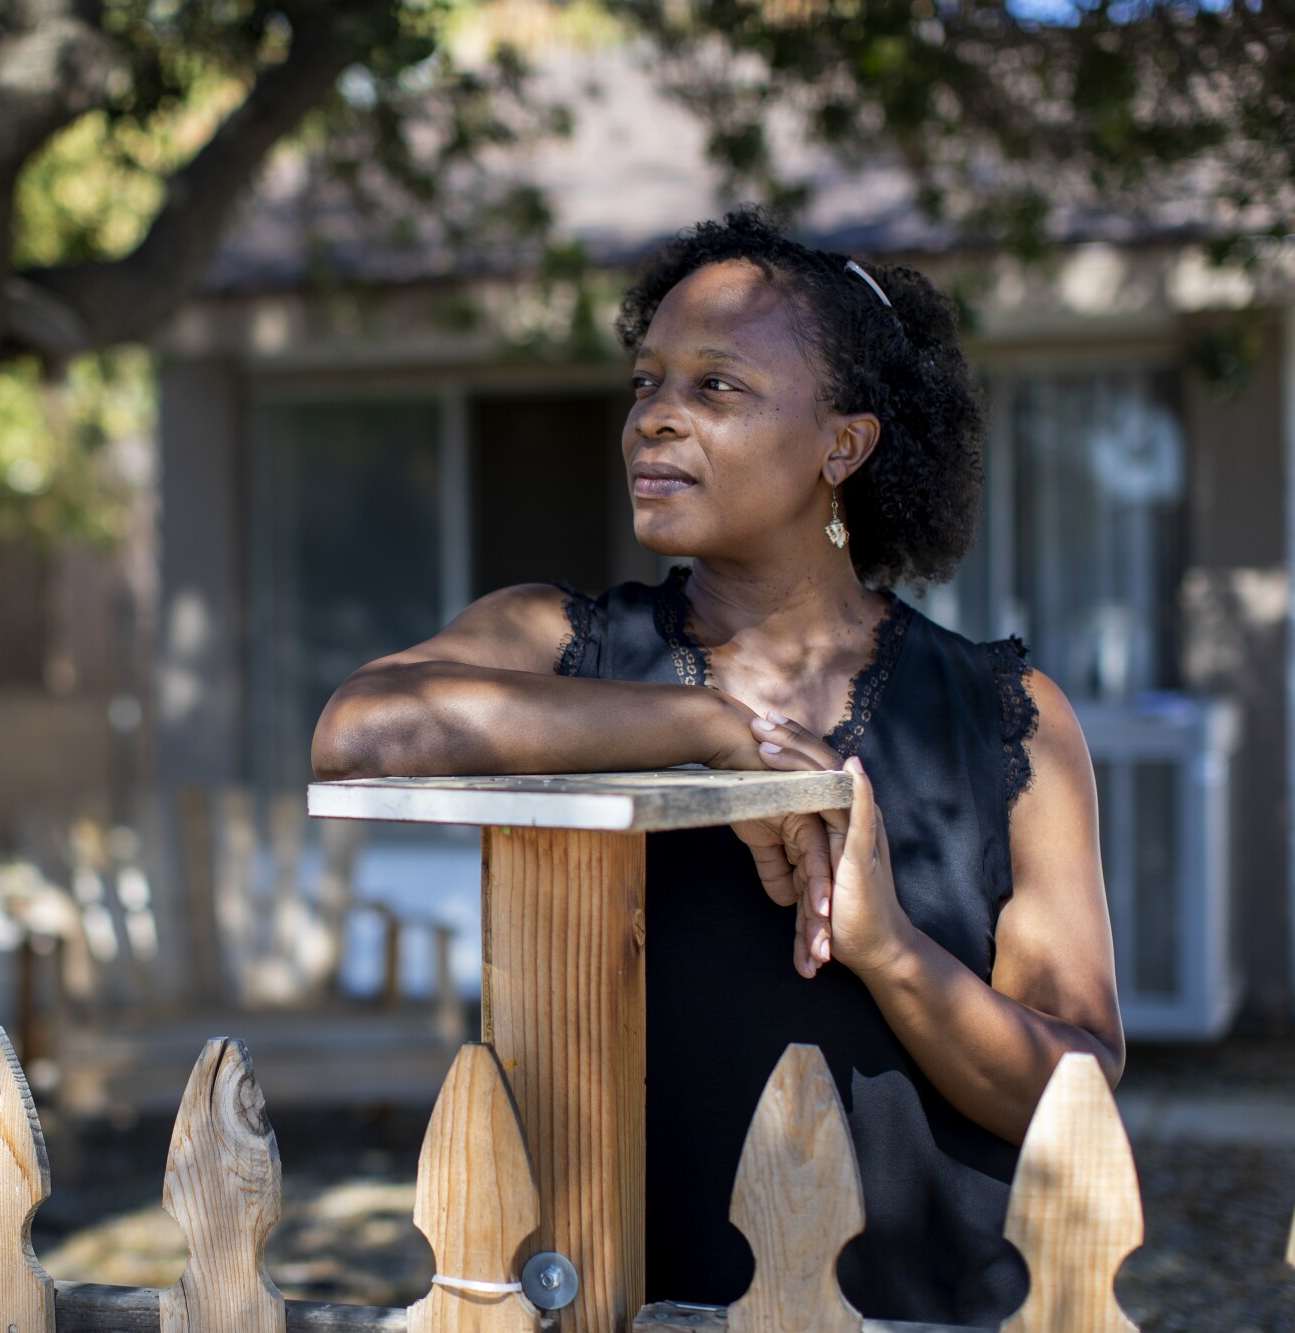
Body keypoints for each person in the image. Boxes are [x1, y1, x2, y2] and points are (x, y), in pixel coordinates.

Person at [310, 209, 1124, 1324]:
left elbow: (1068, 1090)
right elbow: (360, 731)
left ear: (843, 444)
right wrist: (702, 726)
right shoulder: (560, 645)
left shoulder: (1003, 717)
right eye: (646, 383)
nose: (653, 419)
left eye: (716, 388)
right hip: (623, 1300)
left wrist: (885, 949)